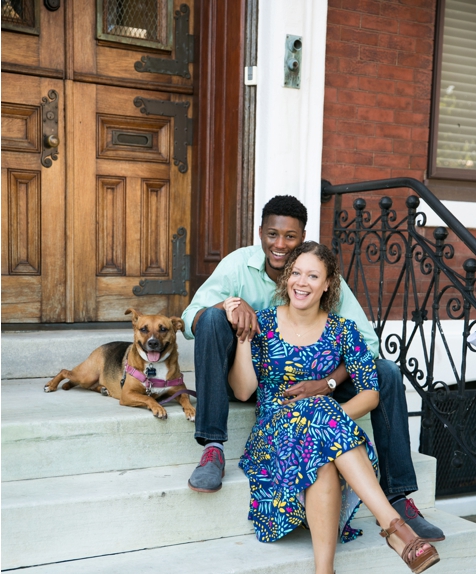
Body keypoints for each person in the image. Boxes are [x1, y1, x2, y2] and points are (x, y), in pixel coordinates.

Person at [181, 195, 444, 541]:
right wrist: (230, 305)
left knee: (387, 373)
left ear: (302, 237)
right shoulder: (238, 266)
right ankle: (213, 447)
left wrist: (328, 384)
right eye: (272, 235)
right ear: (260, 233)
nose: (280, 245)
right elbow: (190, 319)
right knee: (213, 318)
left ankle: (399, 495)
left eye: (290, 237)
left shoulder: (315, 272)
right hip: (249, 378)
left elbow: (366, 343)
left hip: (315, 385)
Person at [229, 240, 439, 574]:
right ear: (286, 278)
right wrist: (242, 341)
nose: (301, 282)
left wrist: (324, 413)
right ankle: (395, 528)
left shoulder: (343, 330)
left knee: (323, 459)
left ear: (328, 285)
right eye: (295, 273)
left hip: (321, 440)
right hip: (274, 435)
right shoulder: (265, 324)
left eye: (312, 275)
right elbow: (242, 392)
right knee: (319, 413)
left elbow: (371, 394)